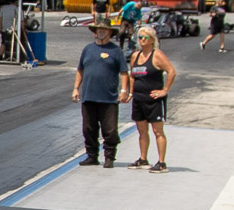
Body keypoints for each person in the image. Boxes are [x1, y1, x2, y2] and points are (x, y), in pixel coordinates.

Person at [72, 17, 131, 168]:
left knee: (110, 130)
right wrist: (76, 88)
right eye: (99, 29)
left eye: (104, 29)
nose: (101, 31)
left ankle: (109, 157)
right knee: (88, 129)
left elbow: (124, 72)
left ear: (110, 32)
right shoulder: (88, 49)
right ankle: (92, 156)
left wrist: (123, 91)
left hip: (108, 98)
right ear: (95, 31)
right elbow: (80, 70)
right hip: (89, 96)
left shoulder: (116, 51)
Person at [127, 26, 176, 173]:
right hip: (139, 99)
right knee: (142, 130)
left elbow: (171, 71)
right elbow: (132, 75)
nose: (142, 40)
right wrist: (130, 92)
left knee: (157, 131)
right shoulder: (135, 56)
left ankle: (161, 162)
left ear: (152, 40)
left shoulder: (157, 55)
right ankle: (143, 159)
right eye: (140, 37)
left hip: (153, 100)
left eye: (145, 37)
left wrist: (164, 90)